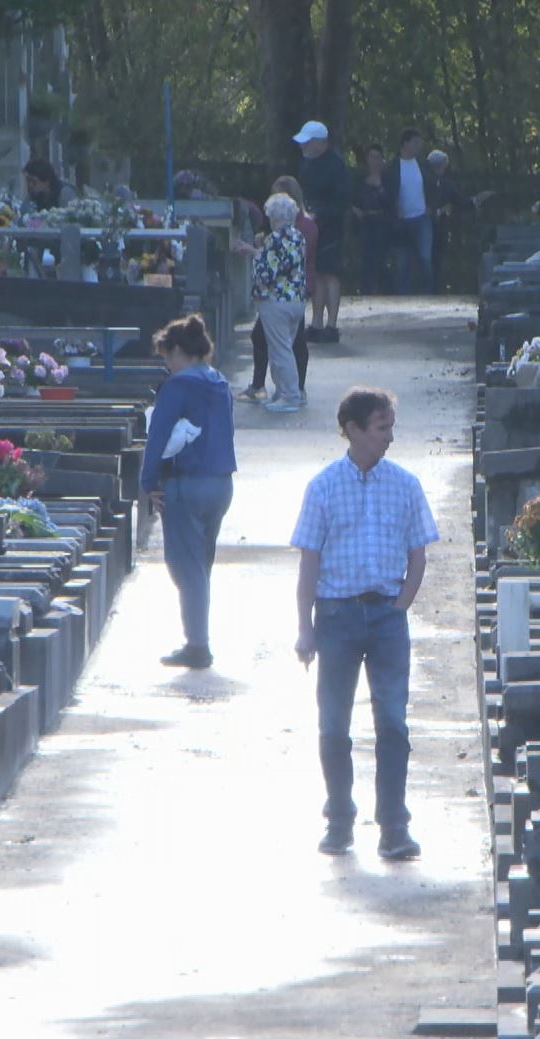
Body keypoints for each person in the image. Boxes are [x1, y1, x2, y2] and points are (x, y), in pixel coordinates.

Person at [290, 388, 440, 860]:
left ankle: (394, 826)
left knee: (393, 723)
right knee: (333, 724)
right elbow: (308, 564)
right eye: (381, 429)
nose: (389, 438)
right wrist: (305, 627)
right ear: (353, 430)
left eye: (391, 427)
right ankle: (339, 820)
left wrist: (400, 607)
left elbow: (419, 554)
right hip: (335, 615)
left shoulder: (406, 485)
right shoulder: (322, 487)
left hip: (386, 617)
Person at [139, 315, 236, 669]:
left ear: (179, 351)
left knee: (185, 566)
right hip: (221, 483)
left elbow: (158, 435)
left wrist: (149, 482)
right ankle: (198, 635)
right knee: (202, 564)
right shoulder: (220, 383)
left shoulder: (177, 386)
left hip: (187, 483)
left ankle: (197, 644)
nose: (168, 365)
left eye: (168, 357)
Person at [240, 178, 315, 405]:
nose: (269, 219)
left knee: (280, 351)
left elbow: (268, 273)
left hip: (276, 301)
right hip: (296, 301)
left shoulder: (275, 238)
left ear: (276, 216)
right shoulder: (297, 236)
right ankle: (283, 391)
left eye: (270, 215)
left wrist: (255, 254)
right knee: (286, 348)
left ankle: (290, 395)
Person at [294, 120, 352, 343]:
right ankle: (316, 322)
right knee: (316, 273)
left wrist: (320, 214)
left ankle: (332, 325)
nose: (303, 147)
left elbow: (342, 200)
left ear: (320, 143)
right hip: (312, 226)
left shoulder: (336, 165)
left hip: (331, 228)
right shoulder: (306, 163)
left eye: (307, 143)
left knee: (330, 274)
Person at [427, 150, 493, 295]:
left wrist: (475, 200)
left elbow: (459, 201)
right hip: (425, 227)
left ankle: (435, 290)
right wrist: (439, 211)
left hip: (441, 229)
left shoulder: (446, 184)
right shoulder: (424, 182)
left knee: (437, 260)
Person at [381, 127, 437, 294]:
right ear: (405, 144)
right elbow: (388, 192)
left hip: (422, 218)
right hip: (401, 220)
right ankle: (402, 294)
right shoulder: (392, 167)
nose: (418, 146)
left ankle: (427, 292)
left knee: (424, 257)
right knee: (402, 261)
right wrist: (393, 212)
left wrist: (431, 207)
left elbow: (434, 187)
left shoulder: (423, 166)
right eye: (415, 143)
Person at [352, 145, 391, 296]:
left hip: (382, 223)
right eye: (372, 157)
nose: (375, 161)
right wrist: (356, 210)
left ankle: (384, 291)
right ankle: (365, 290)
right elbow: (352, 199)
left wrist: (380, 187)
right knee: (366, 258)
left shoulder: (388, 178)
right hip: (365, 223)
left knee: (381, 258)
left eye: (378, 157)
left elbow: (391, 202)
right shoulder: (359, 178)